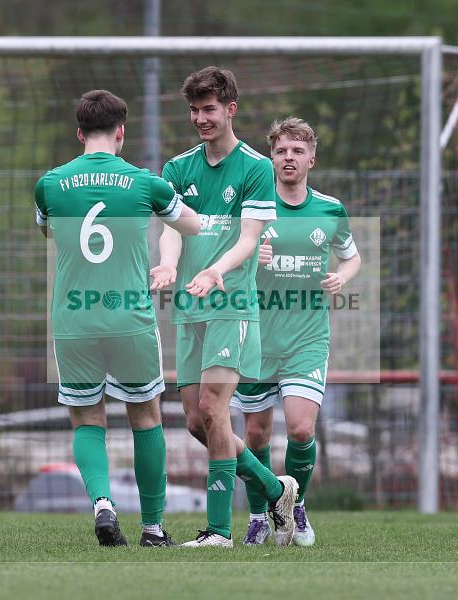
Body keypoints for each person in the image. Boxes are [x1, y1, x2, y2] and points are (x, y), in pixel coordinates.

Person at [35, 90, 200, 547]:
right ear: (121, 132)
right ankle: (152, 528)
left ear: (79, 133)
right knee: (145, 417)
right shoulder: (146, 183)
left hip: (74, 319)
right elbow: (192, 225)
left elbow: (48, 230)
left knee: (87, 419)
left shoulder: (49, 184)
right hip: (129, 316)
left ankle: (103, 503)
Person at [151, 67, 298, 548]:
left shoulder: (255, 167)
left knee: (215, 408)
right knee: (198, 422)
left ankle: (218, 531)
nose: (201, 118)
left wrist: (216, 270)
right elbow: (172, 229)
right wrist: (168, 264)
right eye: (194, 110)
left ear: (230, 109)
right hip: (190, 308)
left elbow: (250, 238)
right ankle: (276, 490)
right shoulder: (177, 169)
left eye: (209, 109)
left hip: (232, 306)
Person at [233, 117, 361, 546]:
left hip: (307, 338)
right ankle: (258, 516)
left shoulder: (329, 209)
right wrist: (252, 258)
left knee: (302, 429)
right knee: (255, 435)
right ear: (271, 158)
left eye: (297, 151)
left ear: (311, 159)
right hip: (256, 336)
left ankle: (296, 506)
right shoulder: (254, 208)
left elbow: (352, 257)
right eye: (281, 151)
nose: (289, 158)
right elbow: (226, 261)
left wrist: (342, 277)